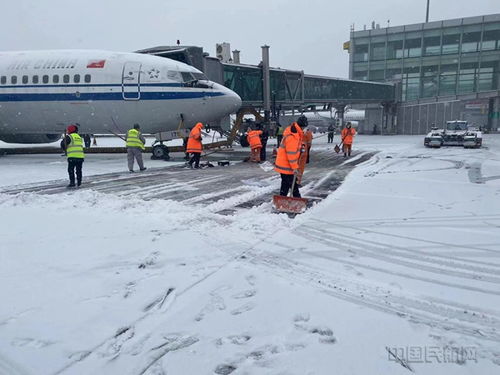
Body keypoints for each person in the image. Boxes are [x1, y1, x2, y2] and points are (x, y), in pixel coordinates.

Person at [274, 115, 306, 198]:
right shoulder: (293, 136)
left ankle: (282, 199)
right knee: (292, 184)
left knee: (285, 183)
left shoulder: (294, 133)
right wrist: (295, 167)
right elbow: (291, 154)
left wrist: (300, 146)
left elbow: (294, 148)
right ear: (302, 126)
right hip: (286, 165)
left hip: (284, 164)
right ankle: (297, 199)